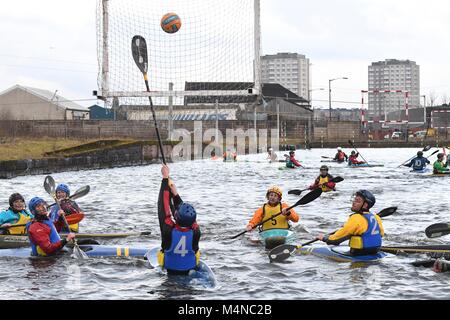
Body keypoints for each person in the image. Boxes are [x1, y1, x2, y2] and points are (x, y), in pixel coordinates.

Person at [157, 165, 201, 275]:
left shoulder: (168, 229)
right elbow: (182, 211)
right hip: (189, 267)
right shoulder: (196, 231)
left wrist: (165, 178)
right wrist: (175, 194)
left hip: (169, 268)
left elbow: (163, 207)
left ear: (176, 217)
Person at [316, 190, 384, 256]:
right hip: (375, 251)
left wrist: (324, 238)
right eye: (354, 200)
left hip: (358, 253)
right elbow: (381, 234)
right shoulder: (376, 217)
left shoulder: (356, 218)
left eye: (357, 201)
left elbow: (336, 240)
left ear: (365, 205)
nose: (353, 202)